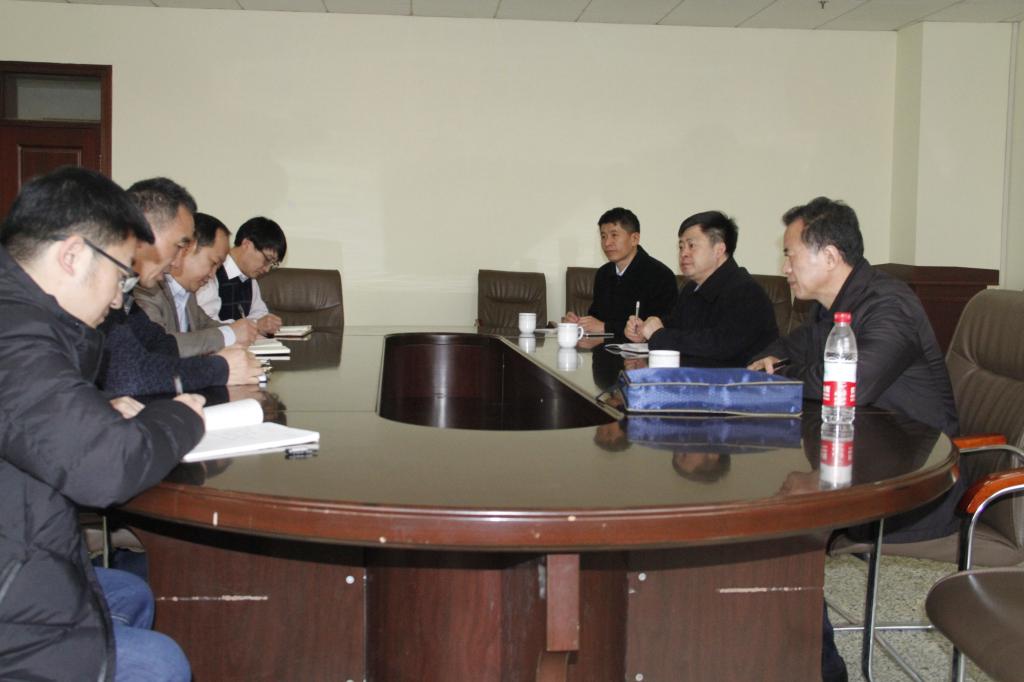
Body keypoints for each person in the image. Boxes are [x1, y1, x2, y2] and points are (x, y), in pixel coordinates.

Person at [0, 166, 205, 681]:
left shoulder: (24, 320)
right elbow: (105, 467)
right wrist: (182, 417)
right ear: (71, 256)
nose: (117, 299)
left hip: (24, 548)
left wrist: (94, 413)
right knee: (162, 663)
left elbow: (33, 416)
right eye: (118, 275)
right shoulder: (15, 340)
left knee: (129, 592)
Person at [747, 196, 960, 682]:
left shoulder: (889, 305)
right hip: (856, 460)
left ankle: (819, 670)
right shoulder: (833, 307)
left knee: (781, 528)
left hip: (913, 486)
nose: (784, 267)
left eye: (790, 254)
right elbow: (788, 348)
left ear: (829, 256)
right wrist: (773, 362)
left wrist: (782, 374)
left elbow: (850, 385)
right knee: (767, 503)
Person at [97, 178, 263, 395]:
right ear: (145, 232)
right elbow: (128, 375)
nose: (176, 263)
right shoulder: (103, 290)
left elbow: (161, 345)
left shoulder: (123, 292)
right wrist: (219, 369)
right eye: (178, 247)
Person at [624, 211, 778, 366]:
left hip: (735, 379)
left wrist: (659, 335)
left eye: (691, 246)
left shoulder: (746, 292)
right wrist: (646, 330)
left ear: (719, 250)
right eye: (681, 246)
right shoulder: (691, 288)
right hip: (695, 376)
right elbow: (677, 326)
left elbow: (718, 346)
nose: (683, 253)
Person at [134, 212, 258, 356]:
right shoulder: (147, 290)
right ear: (187, 248)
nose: (212, 275)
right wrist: (230, 334)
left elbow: (206, 326)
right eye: (213, 263)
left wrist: (244, 331)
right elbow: (161, 346)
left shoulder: (187, 293)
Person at [564, 207, 677, 341]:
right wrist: (579, 323)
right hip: (603, 350)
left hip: (641, 353)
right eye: (603, 236)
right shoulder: (603, 274)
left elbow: (660, 327)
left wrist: (606, 327)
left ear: (634, 238)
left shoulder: (660, 275)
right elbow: (596, 318)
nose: (607, 243)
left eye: (614, 235)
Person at [197, 216, 286, 335]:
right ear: (246, 244)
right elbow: (206, 325)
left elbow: (259, 314)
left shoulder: (250, 277)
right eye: (267, 259)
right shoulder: (210, 273)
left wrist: (266, 323)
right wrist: (256, 325)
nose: (267, 269)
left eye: (273, 264)